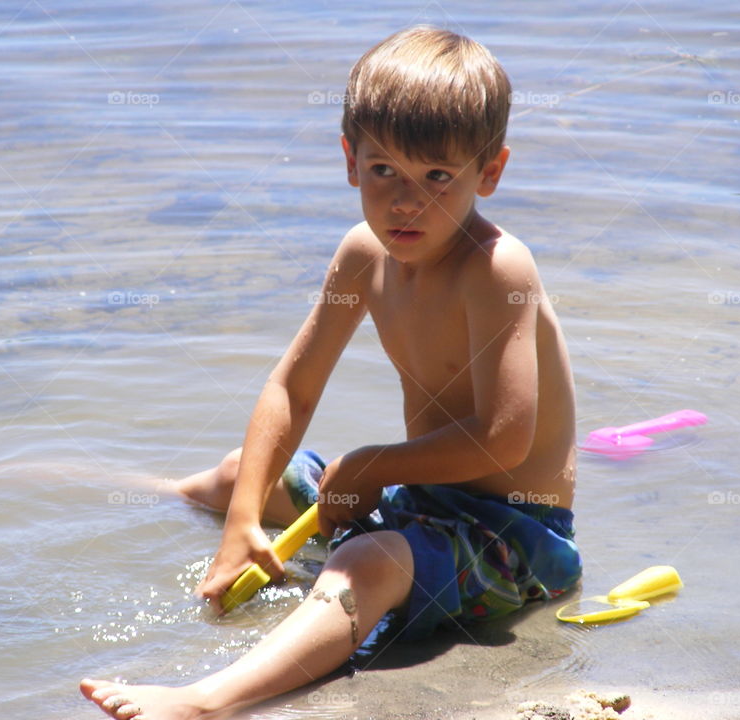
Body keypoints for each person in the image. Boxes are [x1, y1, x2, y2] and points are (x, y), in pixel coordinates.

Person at [81, 25, 581, 720]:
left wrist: (372, 466)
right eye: (385, 173)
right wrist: (244, 521)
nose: (407, 203)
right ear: (351, 160)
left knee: (365, 563)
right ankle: (148, 491)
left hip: (513, 541)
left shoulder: (496, 271)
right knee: (241, 475)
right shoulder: (362, 258)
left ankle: (207, 701)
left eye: (438, 177)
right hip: (417, 499)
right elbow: (293, 386)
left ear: (488, 174)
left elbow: (504, 440)